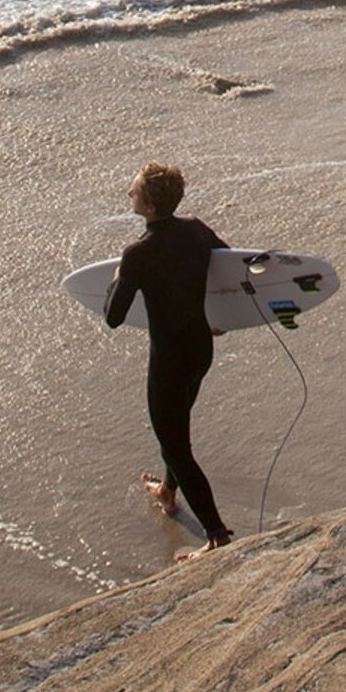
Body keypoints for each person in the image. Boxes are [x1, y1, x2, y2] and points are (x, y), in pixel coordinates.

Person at [103, 162, 233, 554]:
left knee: (175, 444)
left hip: (169, 359)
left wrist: (118, 277)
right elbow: (229, 267)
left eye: (135, 190)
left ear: (150, 206)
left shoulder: (138, 254)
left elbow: (113, 317)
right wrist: (221, 316)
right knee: (177, 428)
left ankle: (217, 535)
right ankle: (167, 491)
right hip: (199, 349)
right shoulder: (196, 230)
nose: (130, 194)